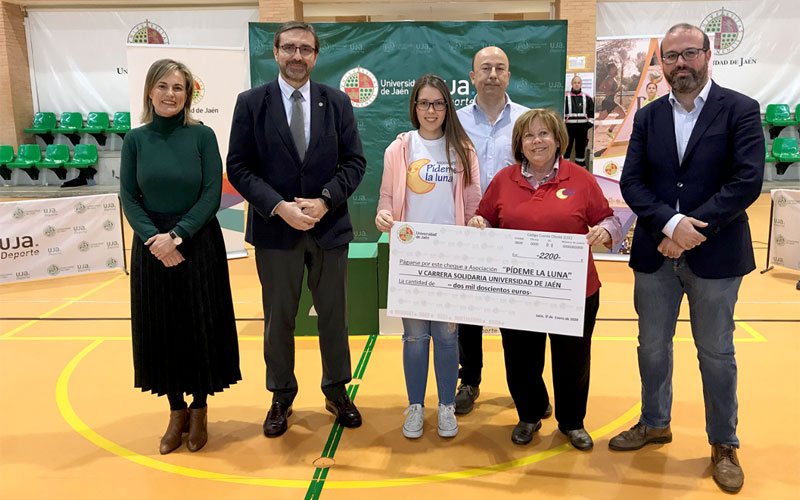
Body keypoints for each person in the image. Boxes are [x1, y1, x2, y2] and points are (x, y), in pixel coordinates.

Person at [613, 23, 764, 494]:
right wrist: (669, 224)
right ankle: (655, 422)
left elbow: (746, 183)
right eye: (671, 56)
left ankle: (723, 442)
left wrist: (687, 230)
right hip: (656, 256)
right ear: (660, 62)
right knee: (651, 348)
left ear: (707, 54)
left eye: (689, 54)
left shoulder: (740, 109)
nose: (681, 64)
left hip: (716, 255)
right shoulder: (649, 115)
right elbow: (631, 182)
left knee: (716, 353)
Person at [227, 21, 366, 437]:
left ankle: (337, 390)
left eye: (306, 48)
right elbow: (238, 166)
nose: (297, 56)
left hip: (329, 229)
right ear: (275, 52)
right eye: (289, 47)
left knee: (334, 318)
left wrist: (325, 200)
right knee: (279, 319)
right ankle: (281, 396)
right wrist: (278, 206)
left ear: (316, 55)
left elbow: (354, 163)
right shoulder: (251, 103)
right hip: (276, 232)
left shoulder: (337, 102)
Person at [468, 108, 621, 450]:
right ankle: (529, 414)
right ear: (519, 144)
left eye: (544, 134)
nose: (536, 141)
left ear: (557, 140)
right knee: (520, 358)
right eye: (528, 136)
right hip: (519, 290)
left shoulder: (580, 178)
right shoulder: (504, 180)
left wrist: (603, 230)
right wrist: (480, 224)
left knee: (573, 358)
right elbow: (484, 217)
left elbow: (611, 221)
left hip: (574, 291)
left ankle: (572, 422)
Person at [120, 58, 241, 455]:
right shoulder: (135, 140)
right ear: (150, 91)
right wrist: (156, 240)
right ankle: (176, 411)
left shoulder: (202, 136)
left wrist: (178, 236)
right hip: (152, 247)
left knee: (200, 325)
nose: (170, 95)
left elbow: (211, 194)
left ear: (188, 95)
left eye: (179, 88)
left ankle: (201, 408)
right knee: (163, 329)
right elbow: (128, 197)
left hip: (197, 241)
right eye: (163, 86)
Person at [376, 74, 481, 439]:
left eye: (438, 103)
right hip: (411, 257)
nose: (431, 110)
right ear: (414, 107)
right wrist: (383, 217)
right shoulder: (399, 149)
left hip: (451, 256)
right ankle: (416, 406)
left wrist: (477, 222)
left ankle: (447, 407)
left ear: (447, 107)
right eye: (424, 103)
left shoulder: (463, 150)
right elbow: (386, 201)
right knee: (416, 336)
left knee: (449, 337)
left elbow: (472, 205)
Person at [454, 46, 546, 416]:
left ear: (509, 76)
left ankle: (528, 388)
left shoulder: (527, 121)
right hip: (468, 229)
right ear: (472, 76)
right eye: (485, 68)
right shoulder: (453, 122)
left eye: (500, 68)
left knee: (521, 320)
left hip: (516, 234)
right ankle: (470, 380)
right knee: (468, 315)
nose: (492, 74)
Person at [564, 75, 594, 167]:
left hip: (582, 127)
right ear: (571, 84)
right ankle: (565, 169)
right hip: (568, 127)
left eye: (578, 83)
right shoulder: (565, 97)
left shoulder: (587, 98)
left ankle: (580, 170)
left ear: (581, 84)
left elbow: (591, 113)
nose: (576, 85)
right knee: (567, 148)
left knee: (581, 149)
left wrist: (588, 125)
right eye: (575, 82)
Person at [596, 63, 626, 138]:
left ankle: (610, 131)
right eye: (614, 68)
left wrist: (605, 90)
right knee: (599, 120)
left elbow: (601, 87)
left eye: (615, 68)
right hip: (608, 103)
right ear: (610, 70)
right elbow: (608, 93)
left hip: (611, 102)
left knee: (622, 114)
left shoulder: (611, 78)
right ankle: (589, 132)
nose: (616, 69)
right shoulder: (609, 79)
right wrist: (618, 90)